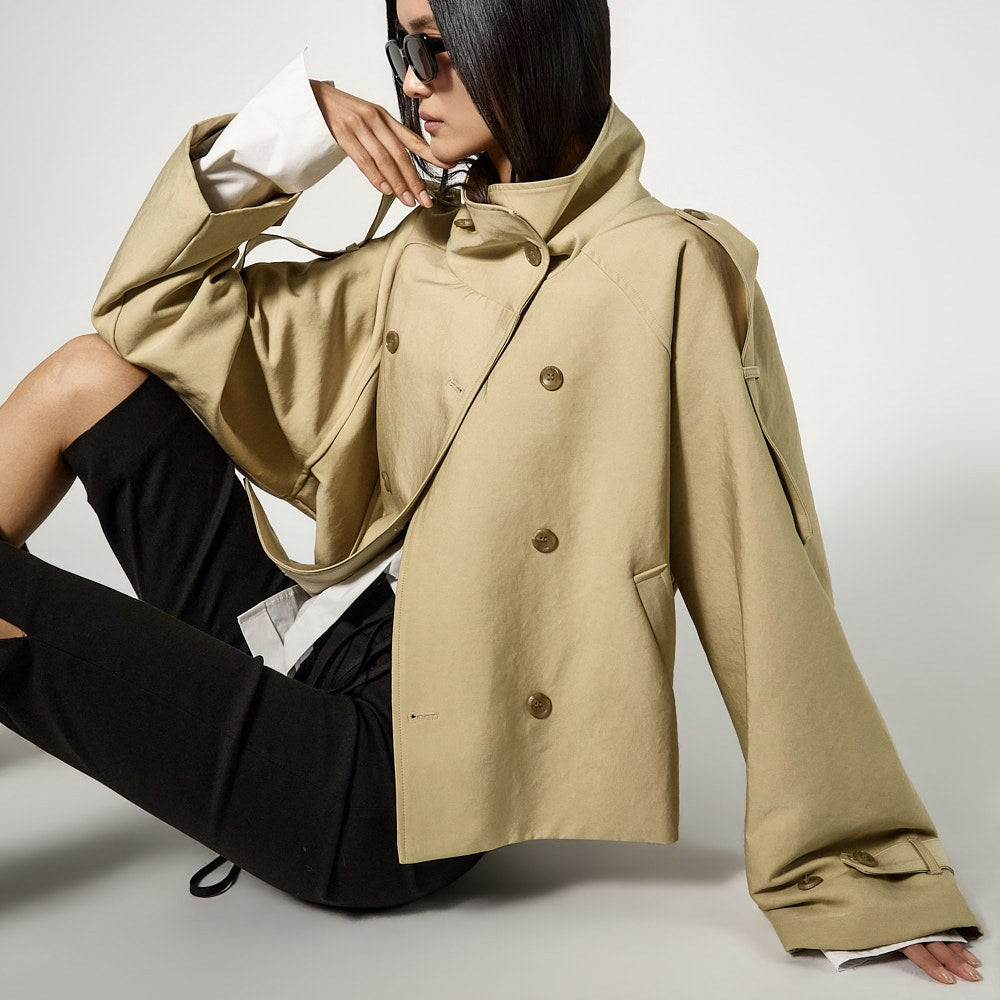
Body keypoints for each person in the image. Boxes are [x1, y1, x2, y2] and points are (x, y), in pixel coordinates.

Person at [0, 0, 985, 983]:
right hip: (304, 639)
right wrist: (294, 127)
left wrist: (859, 869)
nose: (412, 77)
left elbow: (758, 565)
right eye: (402, 44)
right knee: (88, 374)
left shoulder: (668, 268)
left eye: (441, 44)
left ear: (525, 36)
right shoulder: (430, 250)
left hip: (387, 783)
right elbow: (147, 310)